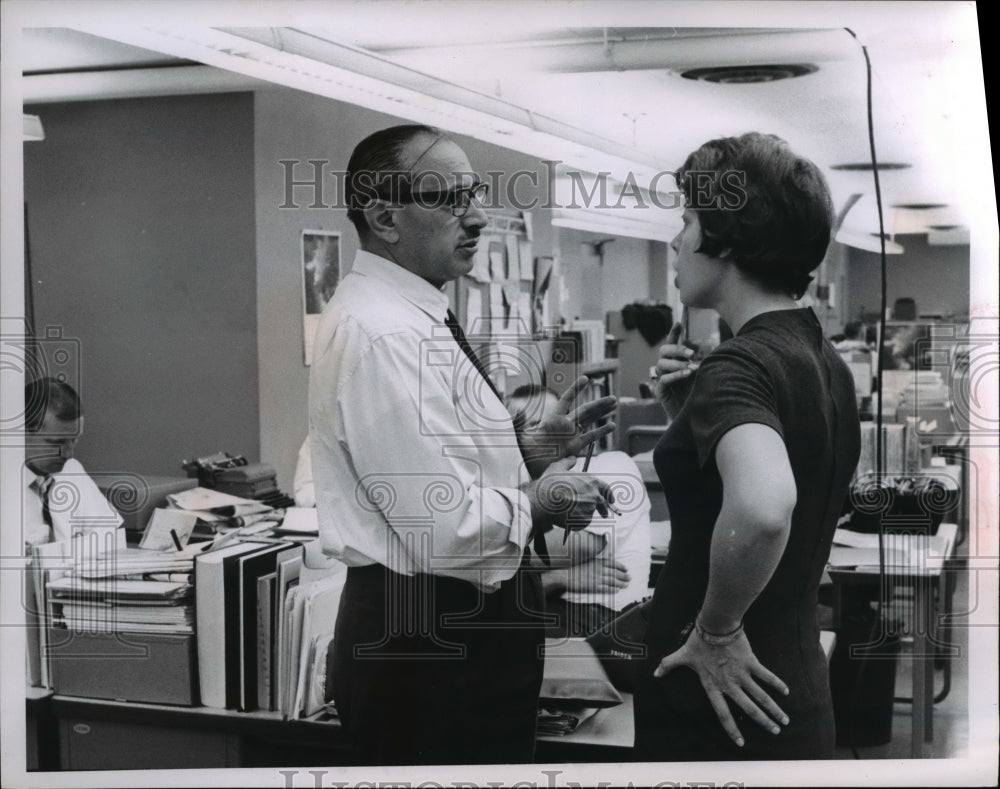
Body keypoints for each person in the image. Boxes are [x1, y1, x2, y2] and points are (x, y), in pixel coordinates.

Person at [308, 124, 617, 765]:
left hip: (460, 628)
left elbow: (440, 468)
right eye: (448, 199)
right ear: (385, 216)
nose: (476, 217)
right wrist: (542, 498)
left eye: (472, 194)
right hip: (429, 640)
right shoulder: (383, 333)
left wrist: (520, 454)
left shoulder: (415, 314)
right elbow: (441, 525)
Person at [635, 132, 861, 761]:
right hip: (791, 684)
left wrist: (715, 629)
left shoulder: (740, 364)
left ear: (726, 239)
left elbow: (765, 508)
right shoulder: (820, 355)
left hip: (718, 698)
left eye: (686, 221)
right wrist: (693, 420)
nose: (676, 241)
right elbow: (809, 480)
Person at [506, 384, 651, 637]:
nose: (552, 433)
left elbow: (578, 546)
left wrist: (491, 545)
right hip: (533, 605)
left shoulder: (614, 466)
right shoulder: (517, 484)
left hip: (597, 619)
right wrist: (556, 579)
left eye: (559, 420)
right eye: (533, 427)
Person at [22, 377, 122, 549]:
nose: (69, 454)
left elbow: (111, 535)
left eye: (74, 440)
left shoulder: (71, 469)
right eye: (57, 442)